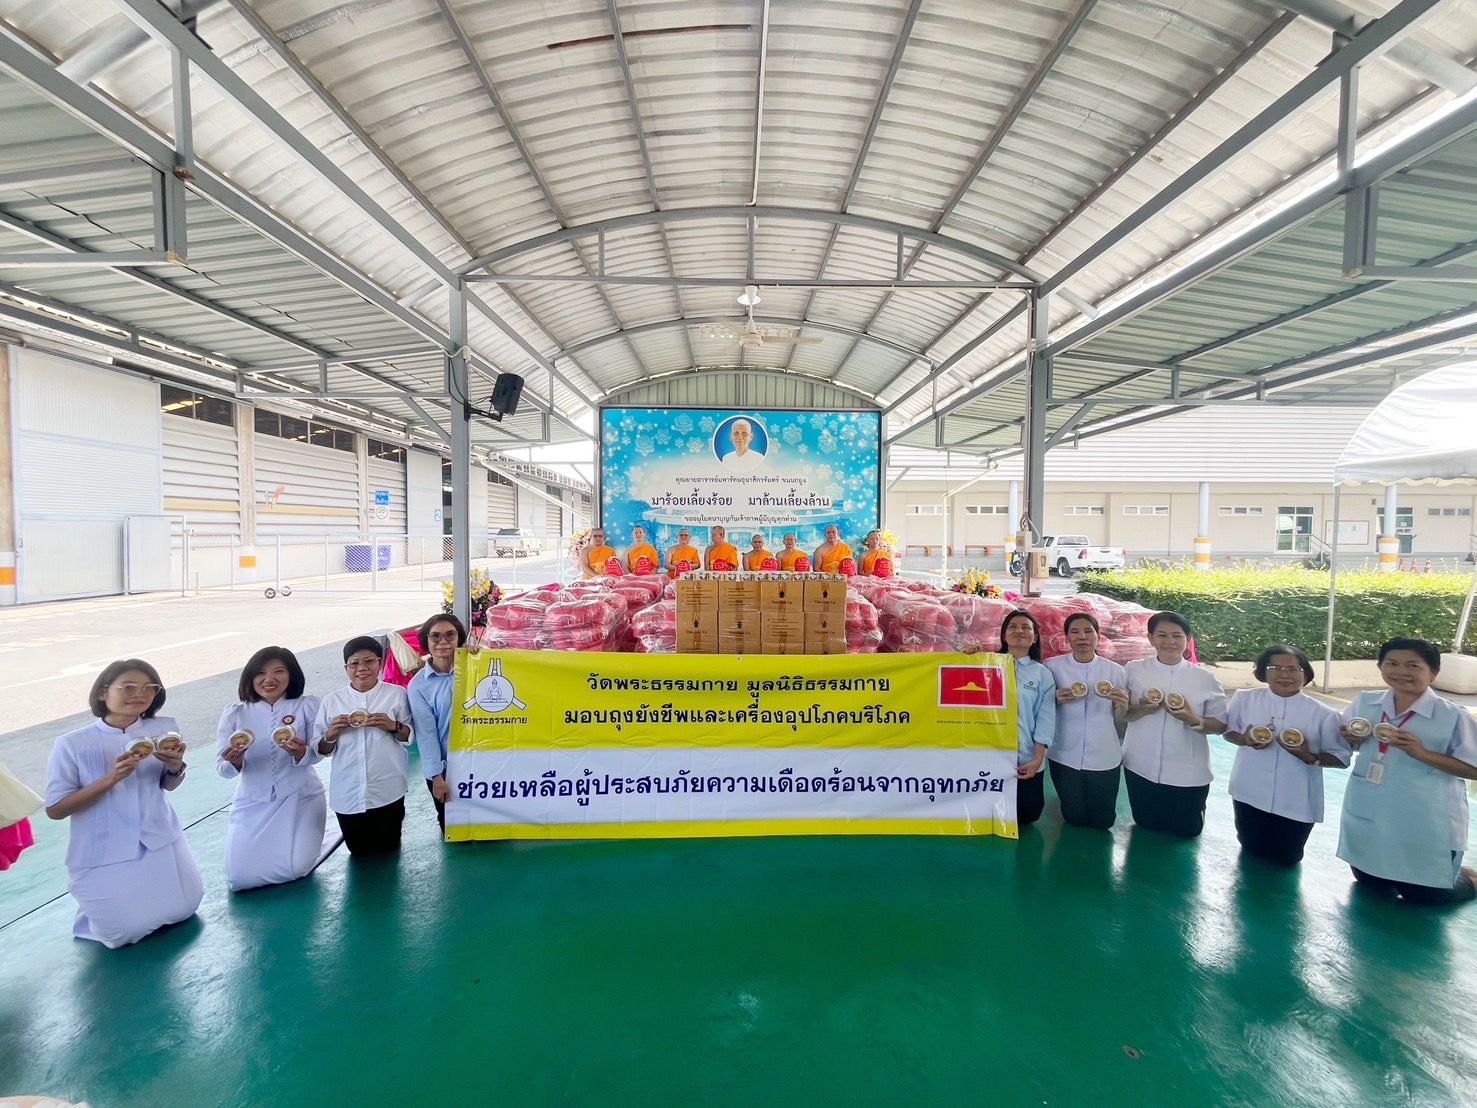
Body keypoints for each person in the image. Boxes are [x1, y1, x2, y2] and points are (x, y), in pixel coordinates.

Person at [44, 659, 203, 947]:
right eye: (128, 687)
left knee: (185, 908)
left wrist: (175, 766)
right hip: (104, 847)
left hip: (159, 838)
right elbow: (56, 810)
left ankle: (119, 901)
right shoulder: (72, 743)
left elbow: (168, 785)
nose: (139, 694)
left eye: (149, 687)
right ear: (102, 693)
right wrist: (112, 778)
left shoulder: (165, 729)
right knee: (124, 933)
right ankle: (99, 907)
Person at [1336, 637, 1477, 905]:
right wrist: (1352, 740)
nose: (1401, 672)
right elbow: (1346, 742)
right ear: (1380, 667)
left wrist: (1423, 754)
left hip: (1425, 817)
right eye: (1392, 663)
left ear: (1433, 672)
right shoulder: (1366, 702)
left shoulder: (1452, 716)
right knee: (1370, 882)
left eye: (1413, 665)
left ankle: (1469, 878)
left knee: (1428, 896)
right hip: (1371, 807)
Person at [1221, 644, 1348, 866]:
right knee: (1250, 849)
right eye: (1275, 668)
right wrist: (1243, 739)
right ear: (1263, 672)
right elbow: (1228, 731)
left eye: (1292, 669)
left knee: (1287, 858)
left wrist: (1308, 755)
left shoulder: (1324, 714)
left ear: (1305, 674)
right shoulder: (1245, 699)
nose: (1284, 675)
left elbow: (1342, 757)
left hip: (1295, 798)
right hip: (1249, 791)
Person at [216, 647, 328, 891]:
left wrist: (300, 752)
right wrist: (235, 761)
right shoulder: (236, 713)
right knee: (239, 878)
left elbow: (319, 753)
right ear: (250, 677)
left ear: (292, 674)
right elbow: (222, 768)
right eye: (261, 673)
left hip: (301, 796)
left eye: (279, 671)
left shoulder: (306, 706)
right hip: (252, 801)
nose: (269, 679)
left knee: (296, 868)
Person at [1121, 611, 1228, 838]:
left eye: (1177, 636)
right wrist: (1142, 708)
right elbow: (1124, 715)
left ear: (1187, 639)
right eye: (1162, 635)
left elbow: (1220, 725)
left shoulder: (1205, 679)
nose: (1169, 641)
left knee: (1187, 830)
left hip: (1187, 771)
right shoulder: (1133, 670)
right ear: (1150, 638)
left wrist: (1192, 719)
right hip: (1141, 766)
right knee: (1146, 824)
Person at [316, 637, 415, 856]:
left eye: (369, 661)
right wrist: (330, 734)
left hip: (388, 789)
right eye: (354, 663)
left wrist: (393, 726)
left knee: (390, 849)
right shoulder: (332, 701)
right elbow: (321, 749)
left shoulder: (396, 694)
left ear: (380, 663)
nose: (362, 668)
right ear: (346, 668)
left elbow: (409, 736)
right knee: (358, 852)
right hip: (348, 791)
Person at [1043, 612, 1128, 830]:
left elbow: (1121, 719)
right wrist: (1054, 700)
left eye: (1088, 631)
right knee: (1074, 819)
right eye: (1075, 632)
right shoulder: (1052, 666)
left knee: (1103, 821)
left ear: (1098, 636)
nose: (1082, 637)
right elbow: (1041, 709)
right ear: (1067, 638)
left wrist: (1122, 705)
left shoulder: (1115, 671)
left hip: (1104, 755)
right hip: (1064, 754)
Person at [408, 613, 469, 833]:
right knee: (453, 828)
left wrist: (483, 655)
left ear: (459, 638)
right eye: (435, 636)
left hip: (481, 761)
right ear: (426, 641)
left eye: (450, 635)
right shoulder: (418, 686)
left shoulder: (476, 667)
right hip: (446, 768)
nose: (443, 642)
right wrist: (437, 776)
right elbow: (426, 734)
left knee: (491, 829)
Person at [1000, 610, 1056, 828]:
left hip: (1024, 757)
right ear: (1004, 635)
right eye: (1013, 627)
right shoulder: (986, 665)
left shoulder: (1041, 673)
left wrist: (1037, 759)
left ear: (1034, 638)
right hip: (989, 755)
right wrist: (968, 656)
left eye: (1026, 627)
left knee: (1028, 815)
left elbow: (1045, 718)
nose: (1019, 631)